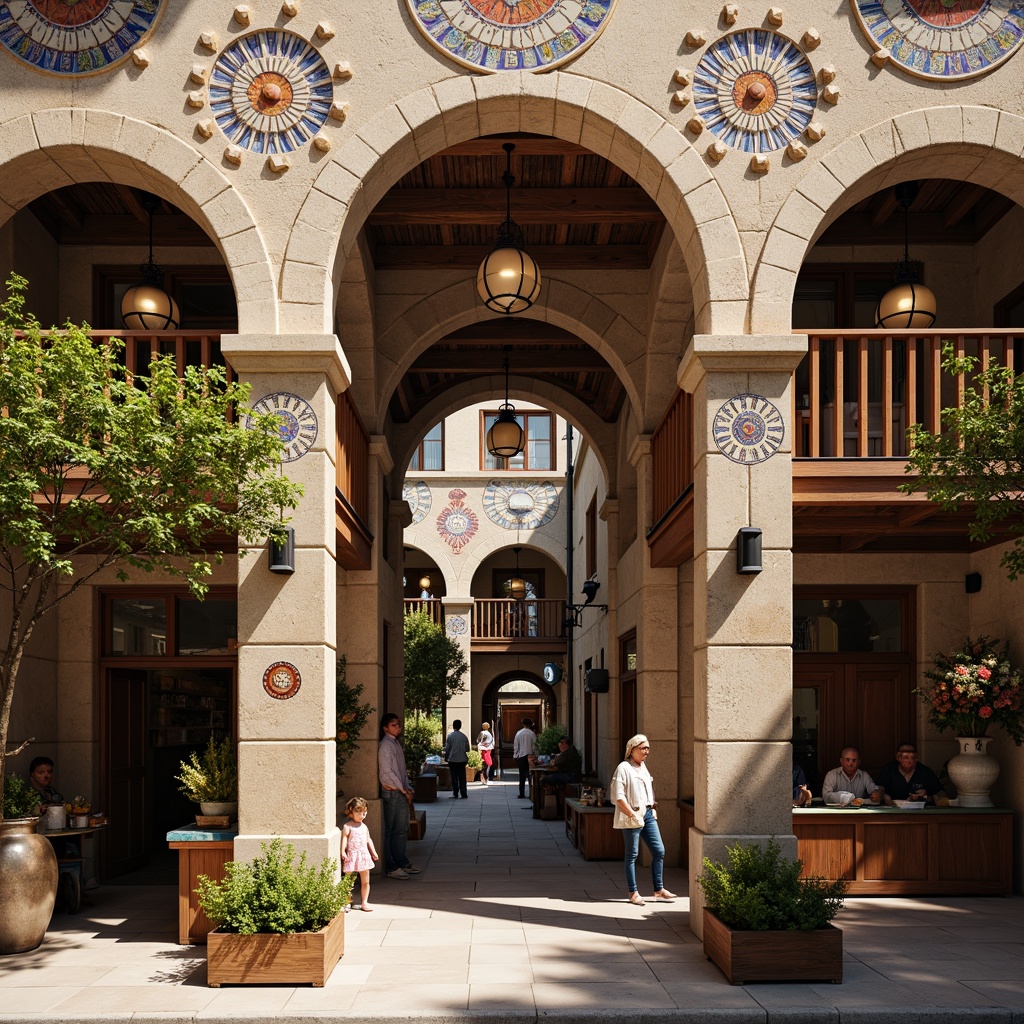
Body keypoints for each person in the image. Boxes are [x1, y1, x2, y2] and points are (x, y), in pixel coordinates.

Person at [611, 734, 676, 906]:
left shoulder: (643, 767)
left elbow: (647, 789)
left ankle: (658, 889)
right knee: (632, 854)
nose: (646, 751)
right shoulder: (624, 768)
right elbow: (618, 796)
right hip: (633, 815)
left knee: (659, 851)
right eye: (643, 748)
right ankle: (633, 892)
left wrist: (651, 806)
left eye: (648, 748)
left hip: (648, 814)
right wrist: (631, 814)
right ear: (632, 749)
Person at [377, 713, 422, 879]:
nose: (398, 728)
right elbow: (386, 772)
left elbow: (401, 771)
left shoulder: (395, 744)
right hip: (392, 792)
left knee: (401, 830)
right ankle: (392, 866)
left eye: (398, 725)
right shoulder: (385, 746)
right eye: (393, 725)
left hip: (400, 792)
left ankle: (401, 862)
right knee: (391, 830)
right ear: (385, 728)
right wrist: (403, 789)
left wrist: (407, 787)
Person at [340, 796, 379, 911]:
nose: (362, 815)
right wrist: (343, 851)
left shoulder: (364, 826)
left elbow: (368, 839)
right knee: (348, 881)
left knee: (366, 881)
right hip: (352, 856)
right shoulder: (348, 826)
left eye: (364, 813)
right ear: (351, 812)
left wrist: (373, 852)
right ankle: (347, 901)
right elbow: (345, 839)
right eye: (359, 813)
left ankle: (364, 902)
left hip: (363, 856)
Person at [875, 743, 947, 804]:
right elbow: (879, 789)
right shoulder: (889, 770)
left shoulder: (925, 772)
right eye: (906, 757)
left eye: (912, 757)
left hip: (920, 812)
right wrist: (883, 796)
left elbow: (940, 794)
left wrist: (926, 797)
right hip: (893, 811)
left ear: (917, 758)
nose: (910, 761)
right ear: (898, 757)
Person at [443, 719, 470, 799]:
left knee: (454, 776)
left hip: (453, 759)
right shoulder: (464, 737)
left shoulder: (450, 736)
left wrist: (446, 757)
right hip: (462, 759)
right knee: (462, 777)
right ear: (460, 726)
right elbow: (467, 749)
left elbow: (447, 748)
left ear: (454, 726)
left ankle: (455, 793)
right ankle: (464, 793)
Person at [513, 717, 537, 800]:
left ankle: (521, 793)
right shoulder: (532, 734)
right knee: (531, 776)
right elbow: (534, 746)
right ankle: (532, 793)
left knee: (522, 776)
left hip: (521, 756)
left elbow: (516, 745)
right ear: (530, 724)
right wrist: (535, 755)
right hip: (530, 756)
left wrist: (515, 755)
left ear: (523, 724)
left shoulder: (519, 733)